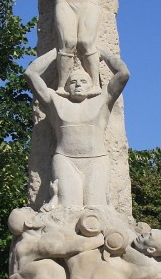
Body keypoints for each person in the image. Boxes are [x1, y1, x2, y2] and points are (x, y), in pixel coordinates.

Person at [25, 47, 129, 208]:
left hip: (97, 159)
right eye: (73, 82)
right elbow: (31, 74)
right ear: (66, 87)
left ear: (91, 85)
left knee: (96, 208)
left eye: (83, 81)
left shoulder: (102, 99)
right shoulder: (56, 102)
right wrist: (58, 52)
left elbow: (123, 74)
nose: (78, 84)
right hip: (66, 160)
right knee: (68, 207)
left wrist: (101, 53)